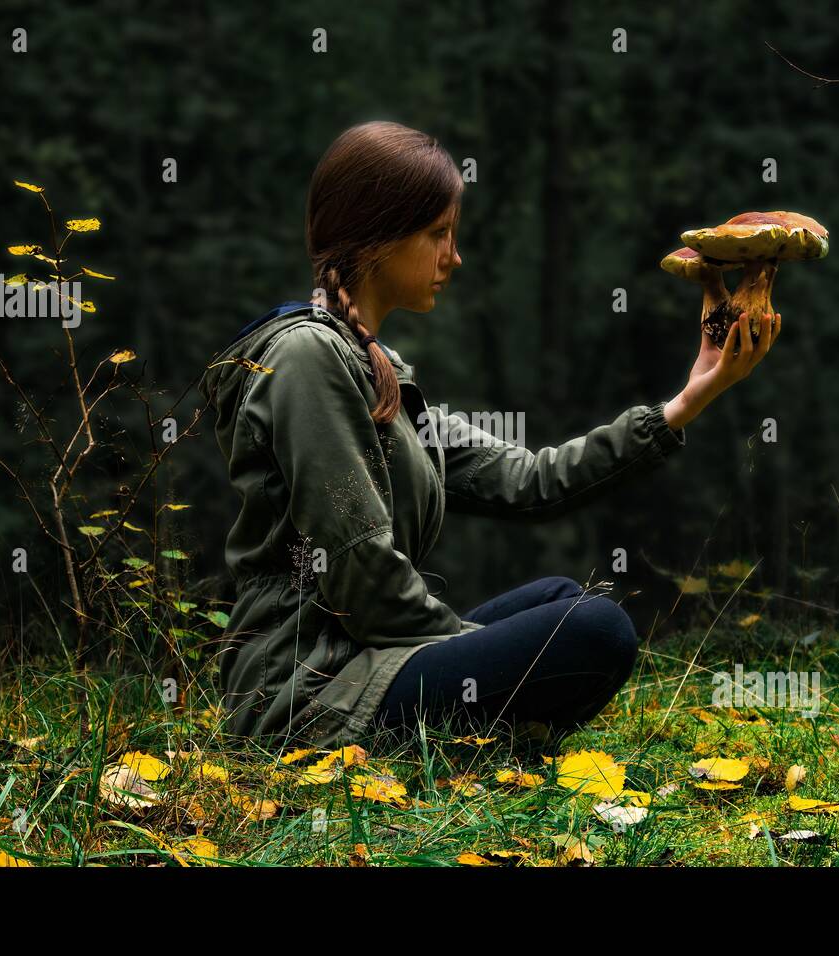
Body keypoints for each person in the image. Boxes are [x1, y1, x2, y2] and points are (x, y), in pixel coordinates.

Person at [197, 120, 779, 755]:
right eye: (437, 234)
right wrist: (477, 647)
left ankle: (489, 741)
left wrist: (691, 397)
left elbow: (532, 481)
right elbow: (362, 574)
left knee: (564, 600)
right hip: (306, 696)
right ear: (379, 235)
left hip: (368, 658)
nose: (455, 256)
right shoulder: (308, 358)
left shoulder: (376, 371)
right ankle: (491, 740)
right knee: (596, 630)